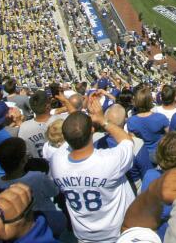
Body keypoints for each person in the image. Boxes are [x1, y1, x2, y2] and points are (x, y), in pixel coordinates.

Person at [49, 93, 136, 243]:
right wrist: (103, 120)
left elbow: (74, 128)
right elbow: (127, 141)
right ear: (92, 130)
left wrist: (75, 111)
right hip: (115, 232)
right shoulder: (109, 161)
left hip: (83, 234)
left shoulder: (56, 161)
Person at [0, 137, 67, 237]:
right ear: (23, 160)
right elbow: (55, 192)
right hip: (47, 222)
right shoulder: (38, 177)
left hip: (20, 229)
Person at [127, 86, 170, 154]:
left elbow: (133, 141)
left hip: (142, 154)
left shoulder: (131, 121)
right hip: (159, 153)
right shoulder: (161, 117)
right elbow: (170, 136)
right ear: (150, 101)